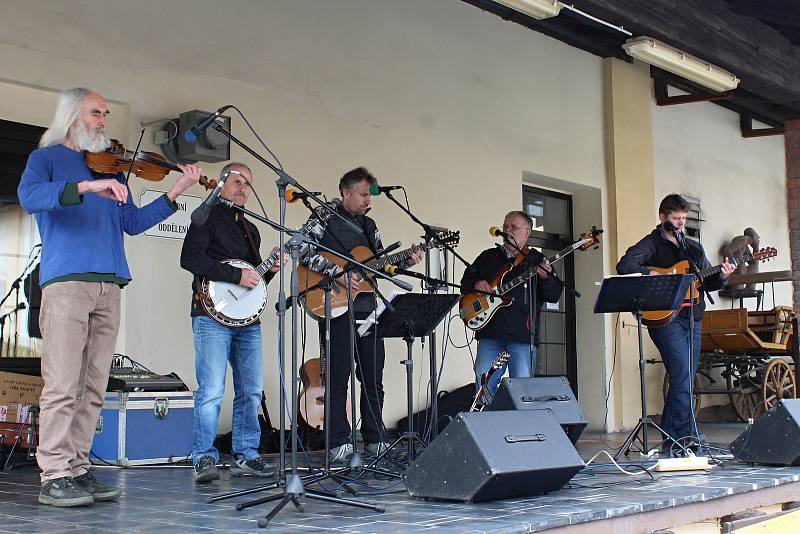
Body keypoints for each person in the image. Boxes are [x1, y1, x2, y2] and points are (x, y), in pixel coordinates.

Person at [17, 87, 201, 507]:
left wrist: (176, 192)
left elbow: (133, 222)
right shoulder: (45, 159)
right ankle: (54, 473)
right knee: (63, 383)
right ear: (72, 116)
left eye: (104, 114)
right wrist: (85, 186)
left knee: (94, 385)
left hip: (110, 283)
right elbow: (30, 198)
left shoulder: (113, 169)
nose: (104, 120)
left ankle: (78, 469)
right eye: (96, 113)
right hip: (67, 282)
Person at [298, 167, 423, 461]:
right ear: (346, 192)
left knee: (372, 377)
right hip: (335, 306)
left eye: (370, 195)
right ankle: (338, 441)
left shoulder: (369, 225)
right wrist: (336, 272)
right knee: (338, 377)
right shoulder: (323, 216)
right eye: (364, 194)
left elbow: (379, 263)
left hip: (369, 308)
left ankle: (374, 438)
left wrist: (408, 260)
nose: (369, 200)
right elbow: (301, 248)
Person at [180, 162, 284, 483]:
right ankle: (203, 457)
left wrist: (270, 270)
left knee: (251, 389)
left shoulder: (251, 229)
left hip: (247, 320)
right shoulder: (205, 216)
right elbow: (190, 259)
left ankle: (247, 454)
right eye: (237, 181)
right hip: (210, 314)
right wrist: (236, 274)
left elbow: (251, 283)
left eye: (248, 184)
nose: (243, 188)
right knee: (211, 389)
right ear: (221, 184)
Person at [616, 194, 734, 451]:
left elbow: (707, 281)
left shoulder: (692, 248)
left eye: (683, 219)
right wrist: (657, 273)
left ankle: (675, 439)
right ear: (662, 218)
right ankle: (684, 436)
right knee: (681, 374)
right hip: (664, 318)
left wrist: (723, 277)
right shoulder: (651, 244)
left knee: (685, 378)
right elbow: (624, 265)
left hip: (692, 316)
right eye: (676, 219)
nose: (681, 223)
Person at [460, 211, 563, 401]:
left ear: (527, 232)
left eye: (513, 227)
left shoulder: (537, 261)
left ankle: (521, 428)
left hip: (522, 337)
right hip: (490, 333)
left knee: (523, 390)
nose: (507, 230)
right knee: (484, 383)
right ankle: (487, 427)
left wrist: (545, 277)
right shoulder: (488, 257)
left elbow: (554, 295)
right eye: (505, 226)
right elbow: (465, 280)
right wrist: (476, 283)